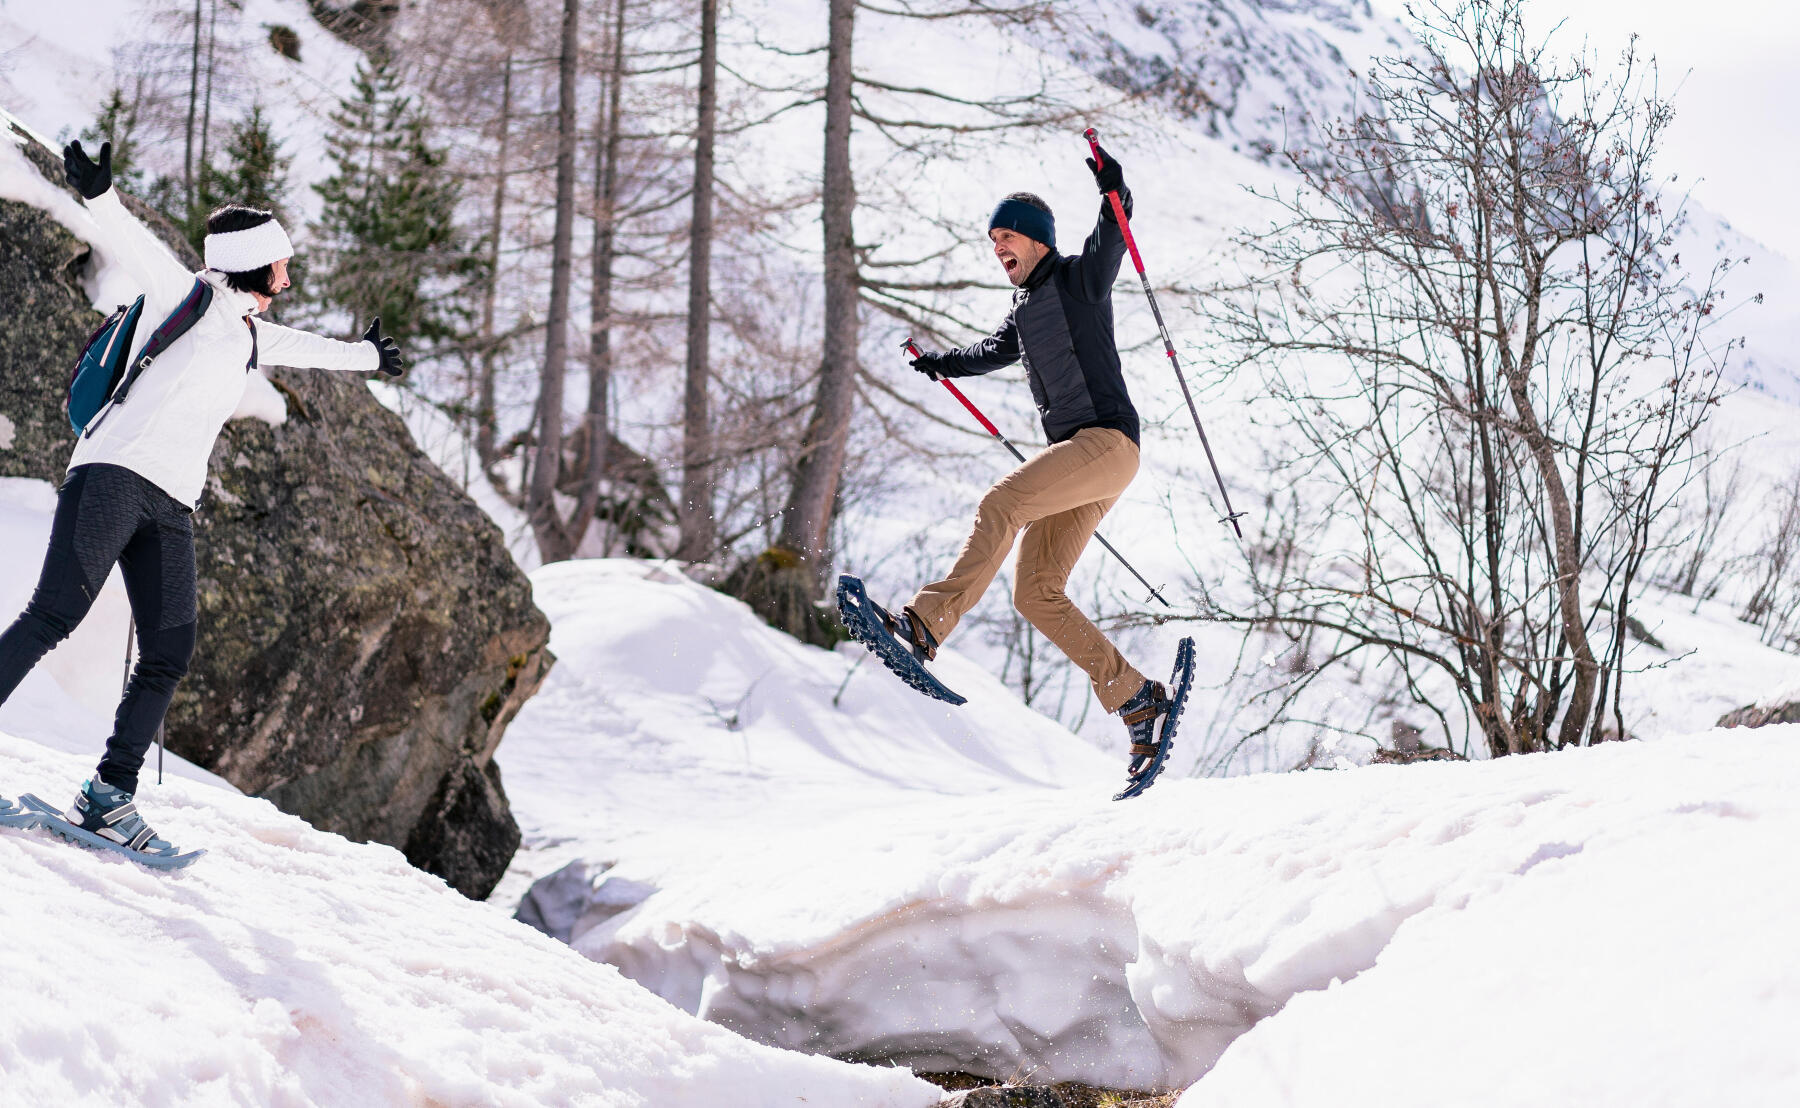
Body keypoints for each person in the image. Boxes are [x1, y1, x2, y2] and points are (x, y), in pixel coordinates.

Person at [0, 140, 405, 858]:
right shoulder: (181, 294)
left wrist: (368, 357)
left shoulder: (248, 333)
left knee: (169, 650)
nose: (290, 270)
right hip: (114, 474)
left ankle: (107, 799)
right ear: (257, 261)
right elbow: (130, 240)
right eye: (282, 258)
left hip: (169, 505)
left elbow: (311, 348)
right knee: (54, 614)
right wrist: (99, 194)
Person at [897, 144, 1175, 781]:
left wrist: (1114, 185)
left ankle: (924, 626)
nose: (999, 248)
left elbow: (1113, 231)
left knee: (1003, 503)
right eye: (993, 240)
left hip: (1106, 443)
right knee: (1035, 593)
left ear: (1037, 240)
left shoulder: (1078, 279)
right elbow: (993, 350)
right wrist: (942, 364)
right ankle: (1137, 699)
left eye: (1007, 236)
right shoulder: (1023, 312)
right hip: (1083, 459)